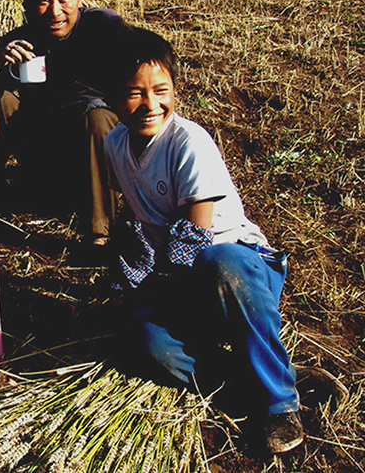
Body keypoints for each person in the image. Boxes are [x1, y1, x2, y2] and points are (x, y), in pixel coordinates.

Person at [103, 26, 303, 453]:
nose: (149, 104)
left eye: (161, 90)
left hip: (241, 272)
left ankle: (281, 403)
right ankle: (240, 379)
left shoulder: (187, 142)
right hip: (182, 275)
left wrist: (159, 288)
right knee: (148, 345)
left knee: (220, 260)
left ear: (175, 90)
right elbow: (137, 216)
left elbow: (194, 237)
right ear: (113, 95)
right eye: (134, 93)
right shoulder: (115, 144)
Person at [0, 0, 126, 244]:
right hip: (41, 154)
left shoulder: (103, 28)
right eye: (43, 0)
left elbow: (140, 80)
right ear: (27, 4)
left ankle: (100, 232)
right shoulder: (19, 41)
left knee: (99, 116)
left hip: (94, 160)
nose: (55, 11)